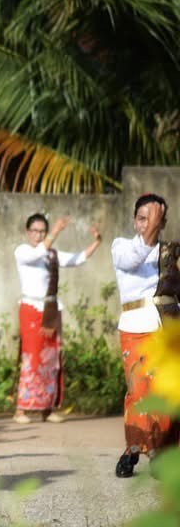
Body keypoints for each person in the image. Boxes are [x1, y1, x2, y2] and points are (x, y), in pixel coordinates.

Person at [111, 193, 179, 478]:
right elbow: (133, 261)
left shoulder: (172, 251)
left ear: (162, 222)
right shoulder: (122, 247)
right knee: (139, 391)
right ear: (134, 220)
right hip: (135, 327)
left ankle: (162, 454)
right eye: (141, 218)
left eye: (151, 219)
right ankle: (133, 449)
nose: (145, 224)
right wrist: (152, 225)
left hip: (168, 327)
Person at [14, 214, 101, 424]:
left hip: (51, 309)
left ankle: (47, 408)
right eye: (35, 231)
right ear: (28, 232)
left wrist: (97, 241)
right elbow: (37, 254)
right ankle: (22, 409)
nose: (39, 235)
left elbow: (76, 259)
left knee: (51, 360)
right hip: (31, 309)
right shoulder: (23, 252)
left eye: (42, 231)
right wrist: (55, 232)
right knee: (32, 358)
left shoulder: (51, 254)